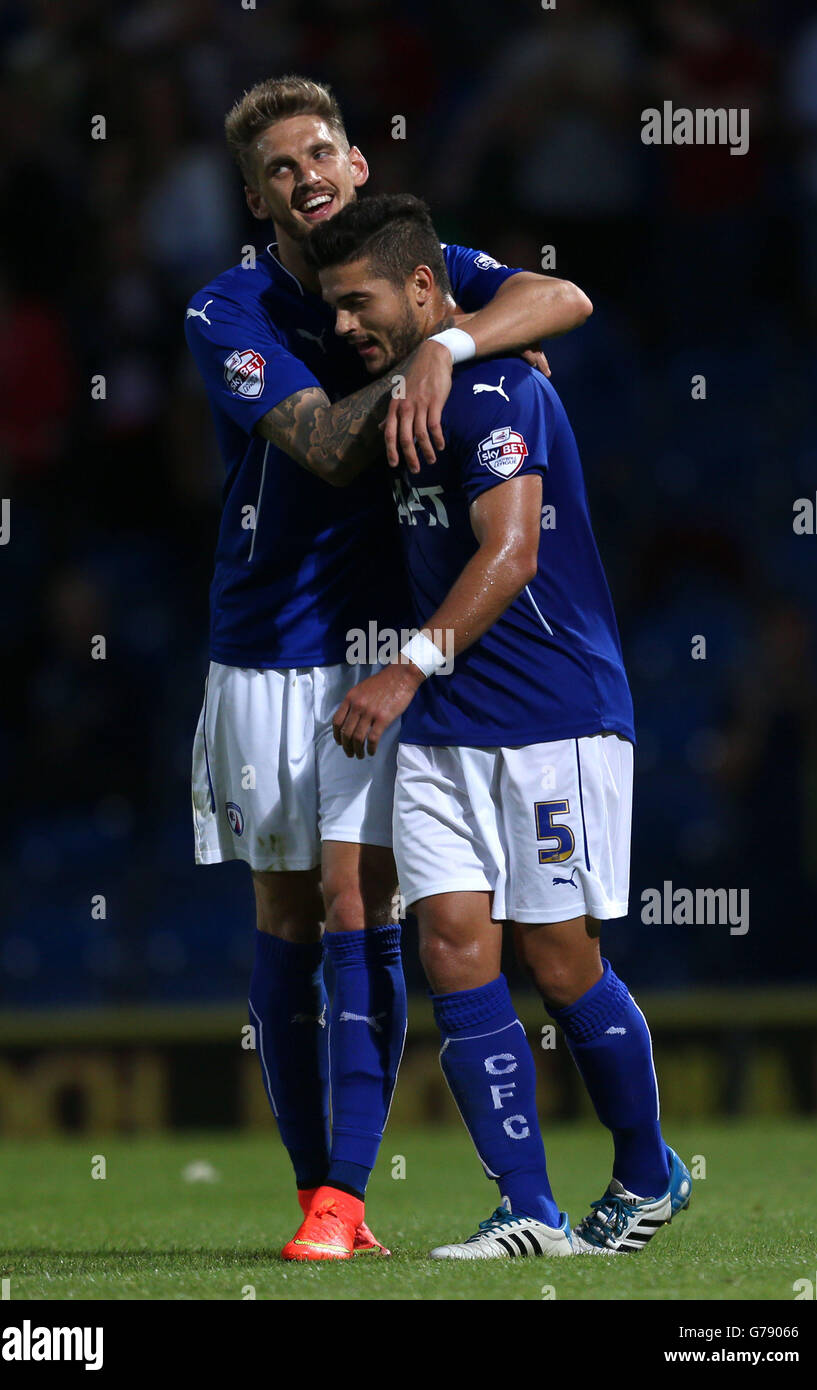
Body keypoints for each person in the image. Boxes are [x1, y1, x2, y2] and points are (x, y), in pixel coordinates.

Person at [184, 75, 593, 1260]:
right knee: (286, 910)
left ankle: (343, 1198)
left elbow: (560, 294)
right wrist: (426, 367)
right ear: (257, 196)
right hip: (268, 641)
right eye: (278, 166)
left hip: (389, 648)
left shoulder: (429, 268)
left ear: (357, 165)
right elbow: (317, 446)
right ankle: (317, 1185)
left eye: (322, 150)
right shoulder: (231, 307)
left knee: (367, 902)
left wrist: (455, 340)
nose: (305, 172)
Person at [308, 193, 692, 1258]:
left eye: (358, 303)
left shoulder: (496, 389)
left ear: (424, 290)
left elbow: (512, 553)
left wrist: (402, 669)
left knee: (561, 959)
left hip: (551, 710)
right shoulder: (400, 388)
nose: (343, 325)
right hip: (446, 726)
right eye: (332, 308)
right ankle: (530, 1208)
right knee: (453, 944)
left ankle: (647, 1171)